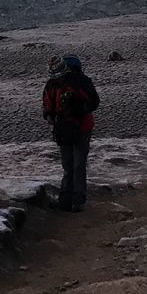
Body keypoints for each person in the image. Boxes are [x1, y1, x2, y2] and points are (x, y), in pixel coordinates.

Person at [42, 54, 100, 212]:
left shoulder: (76, 82)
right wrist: (50, 115)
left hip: (79, 127)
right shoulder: (56, 85)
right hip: (68, 128)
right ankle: (69, 199)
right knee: (71, 164)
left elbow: (94, 101)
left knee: (76, 164)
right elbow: (47, 105)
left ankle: (75, 199)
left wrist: (76, 111)